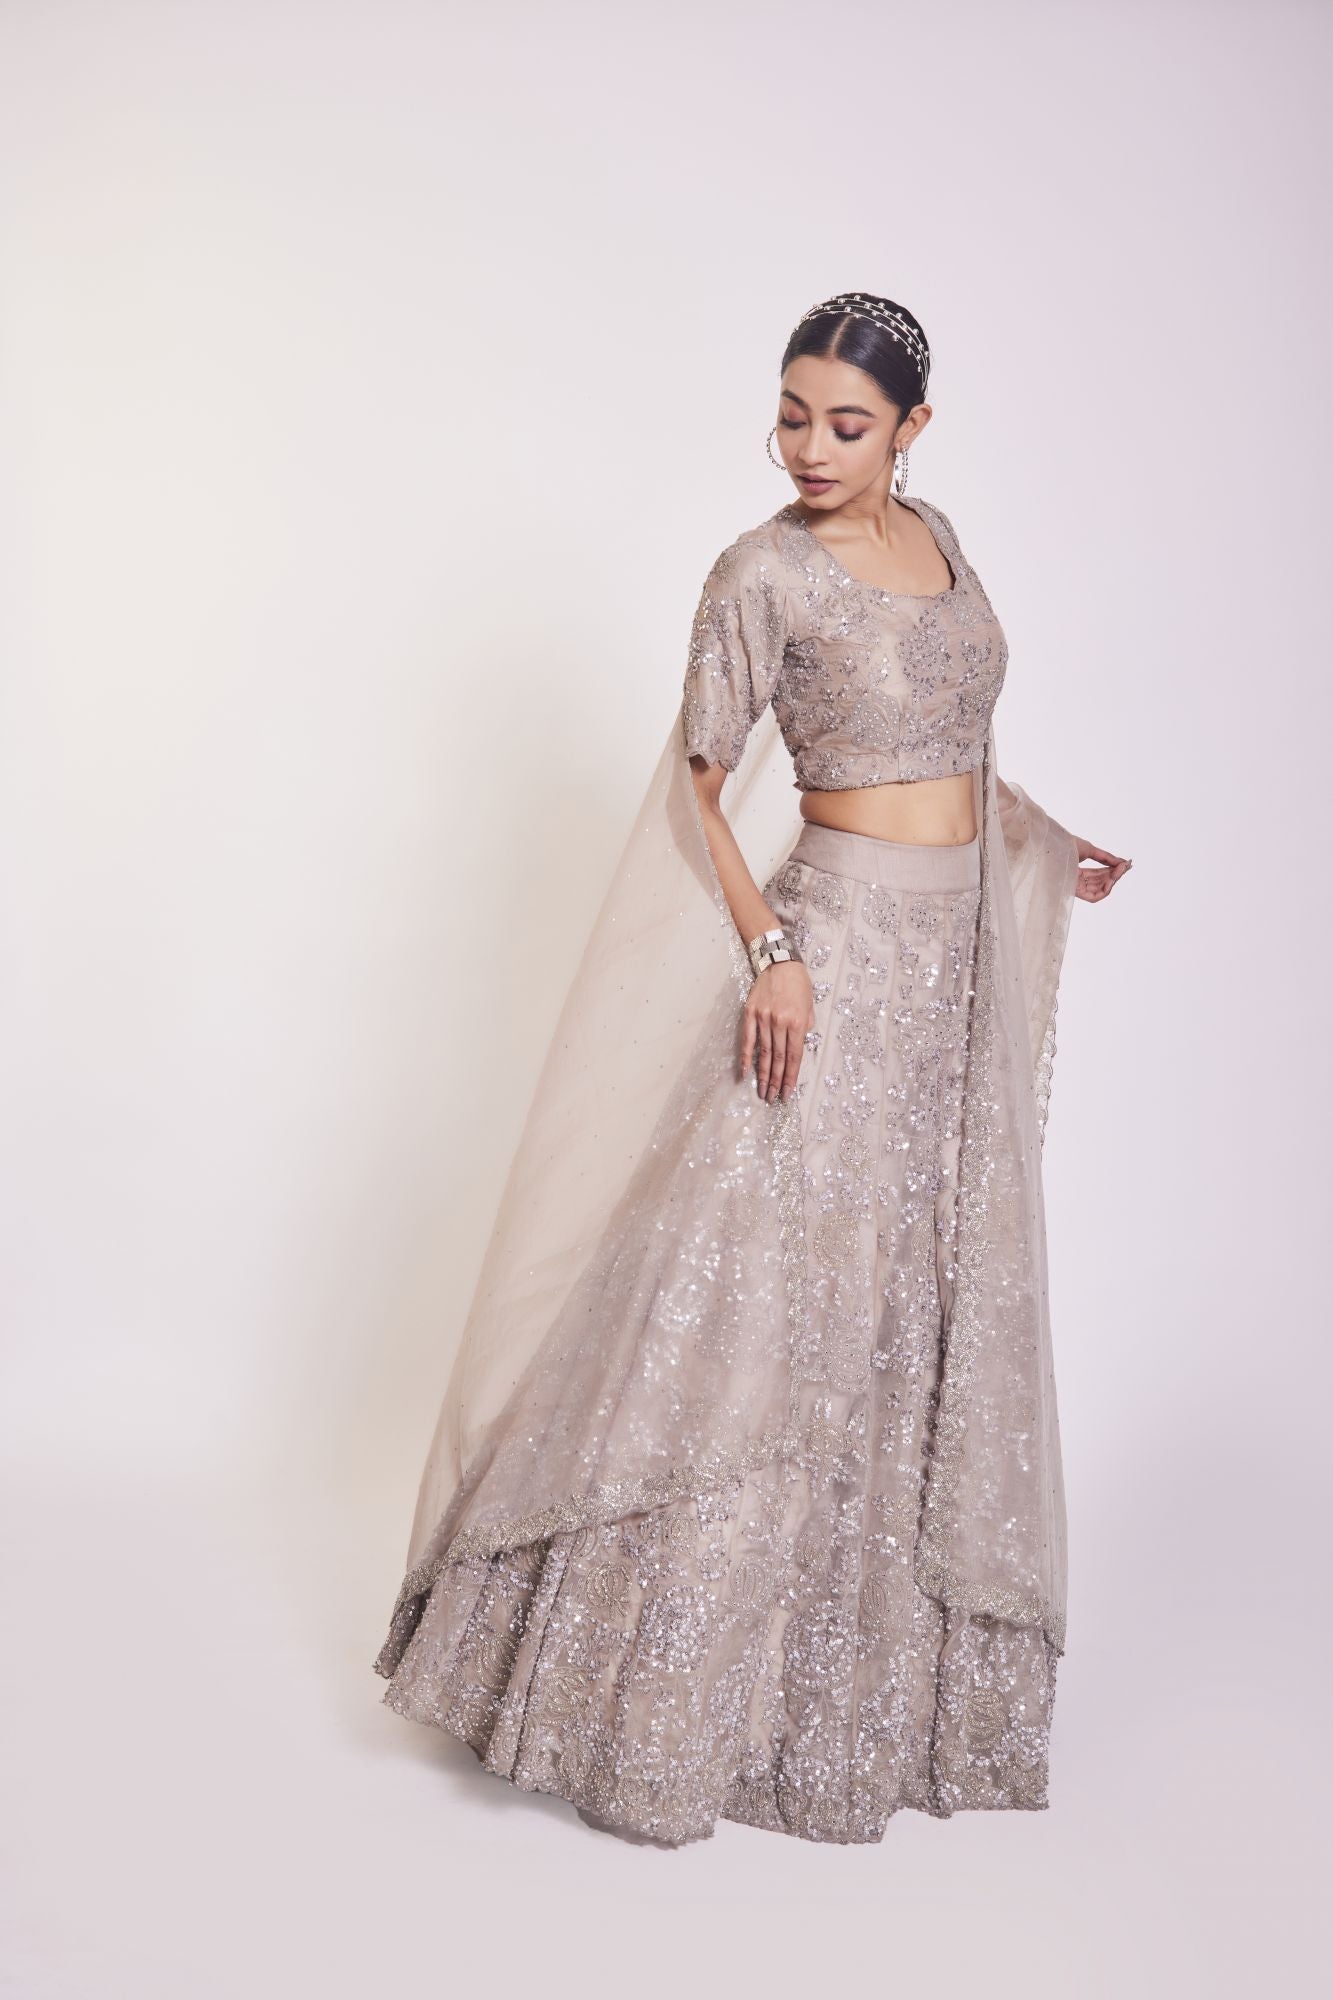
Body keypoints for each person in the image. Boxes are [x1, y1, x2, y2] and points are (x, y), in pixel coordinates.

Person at [372, 292, 1131, 1847]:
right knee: (749, 1290)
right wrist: (770, 949)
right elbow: (695, 791)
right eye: (790, 415)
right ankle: (633, 1688)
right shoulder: (759, 573)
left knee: (898, 1293)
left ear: (912, 429)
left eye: (845, 423)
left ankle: (849, 1693)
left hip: (950, 973)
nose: (808, 448)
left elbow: (949, 742)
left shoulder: (939, 543)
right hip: (834, 954)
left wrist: (1039, 839)